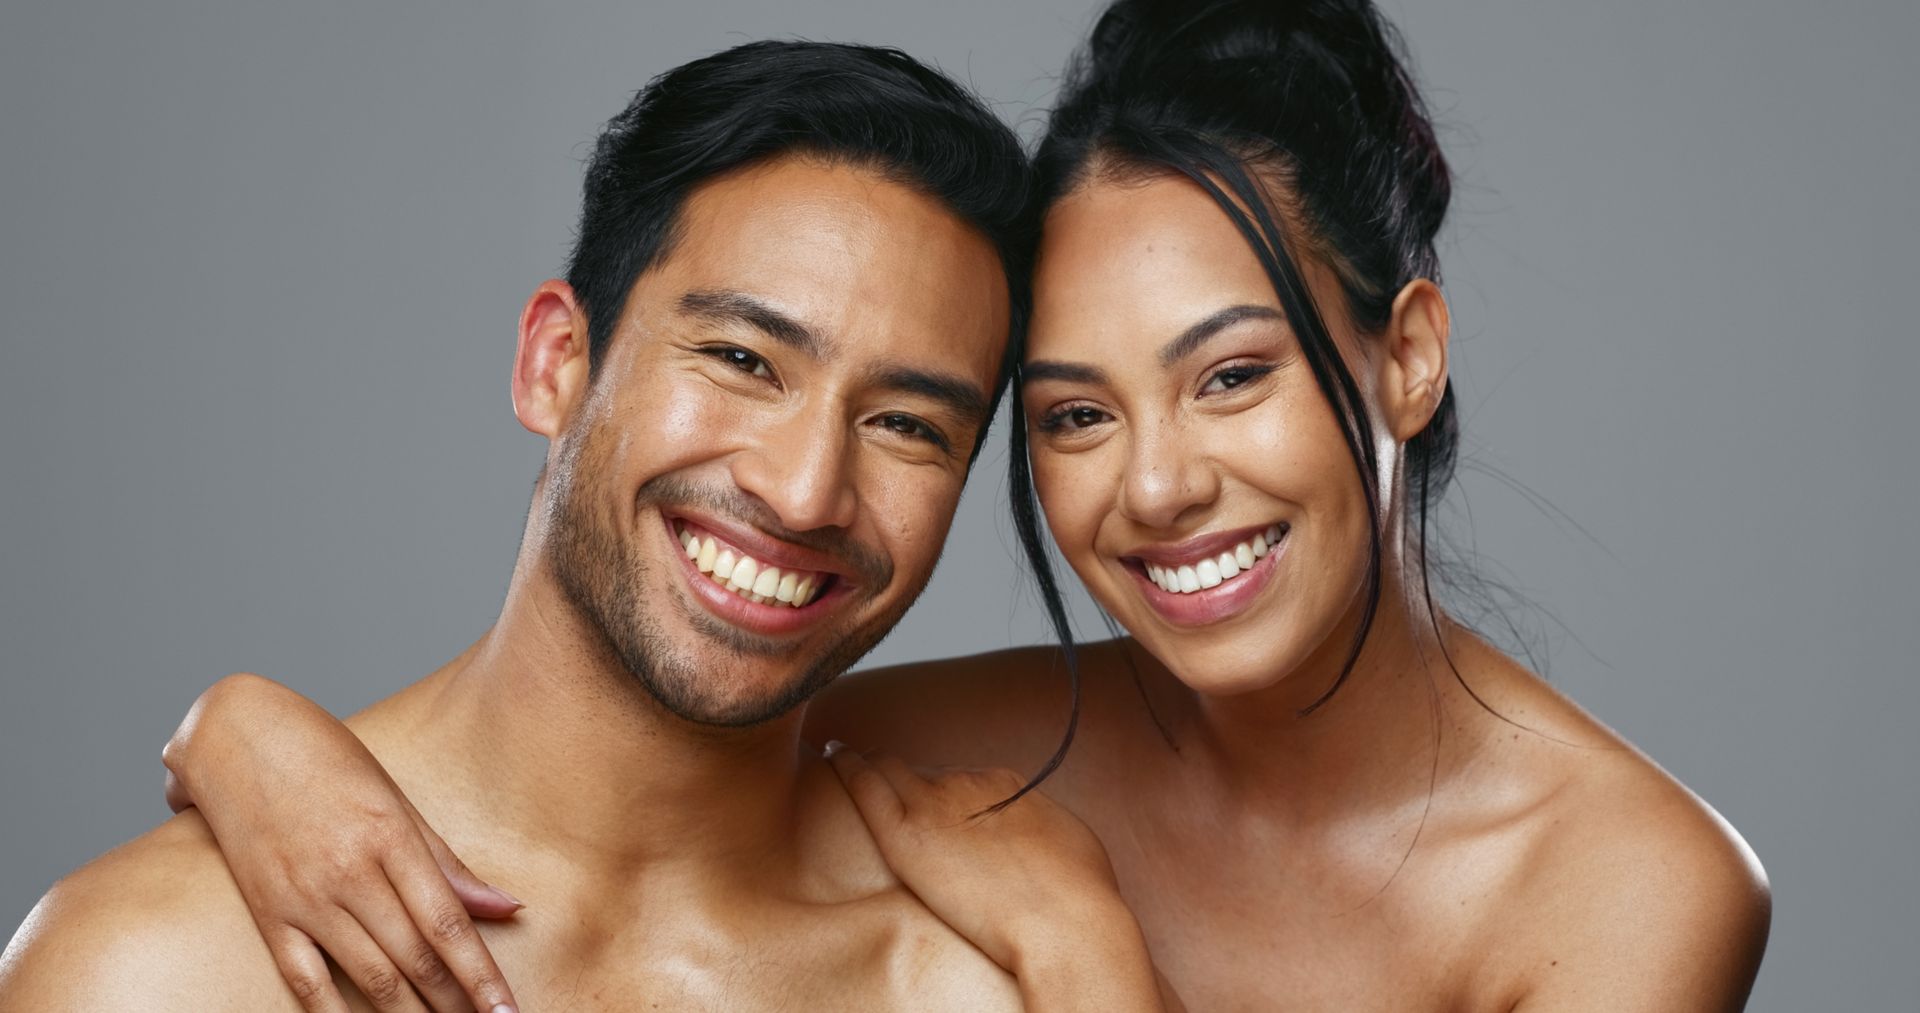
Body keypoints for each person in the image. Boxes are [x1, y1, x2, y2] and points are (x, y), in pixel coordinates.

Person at [33, 0, 1778, 1010]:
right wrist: (241, 732)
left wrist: (1088, 963)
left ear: (1408, 356)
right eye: (1074, 411)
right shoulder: (959, 754)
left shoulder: (1624, 888)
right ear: (555, 359)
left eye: (1235, 373)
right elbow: (650, 738)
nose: (1158, 483)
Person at [0, 40, 1178, 1013]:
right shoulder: (160, 967)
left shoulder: (990, 975)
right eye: (742, 359)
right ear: (556, 361)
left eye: (909, 424)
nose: (805, 490)